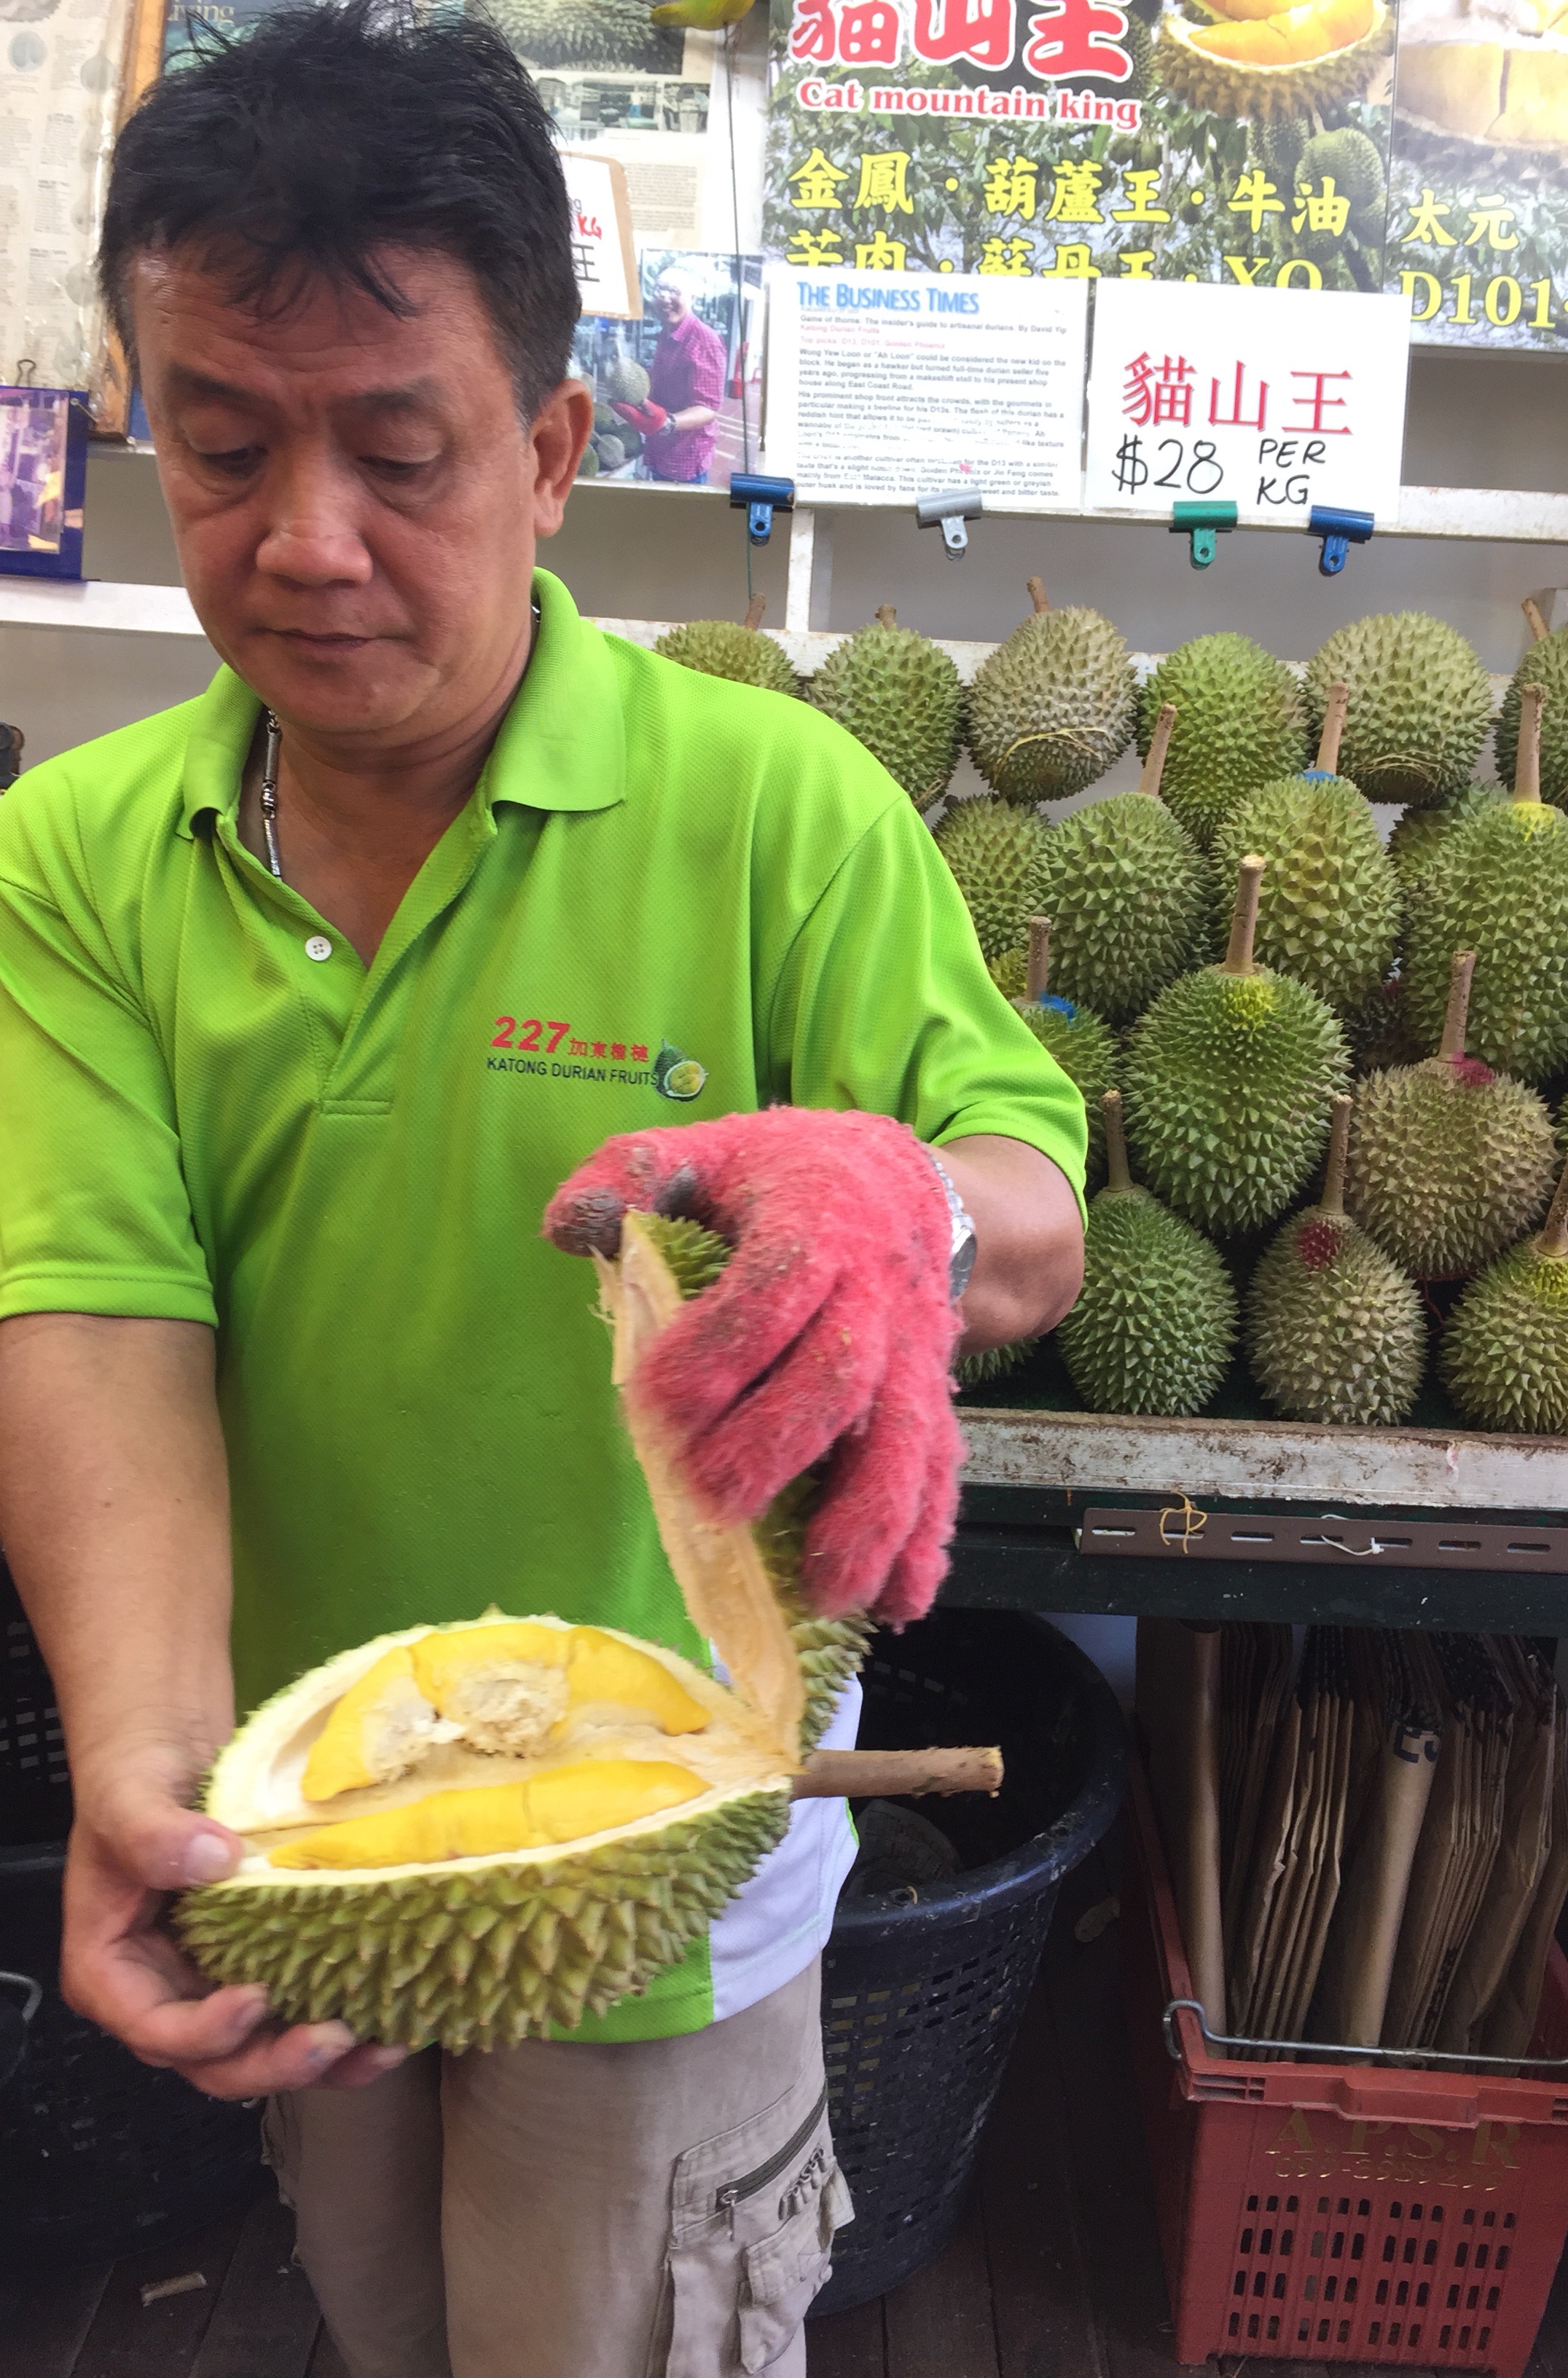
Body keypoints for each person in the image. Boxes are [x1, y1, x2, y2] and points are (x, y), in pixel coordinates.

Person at [0, 7, 1086, 2377]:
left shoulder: (773, 809)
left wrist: (883, 1201)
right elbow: (96, 1314)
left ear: (555, 449)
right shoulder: (72, 863)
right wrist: (144, 1765)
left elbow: (1028, 1206)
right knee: (390, 2325)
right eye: (219, 447)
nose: (304, 539)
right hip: (330, 1830)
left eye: (400, 451)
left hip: (674, 1880)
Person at [614, 266, 725, 485]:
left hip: (684, 458)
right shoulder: (667, 334)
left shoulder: (705, 341)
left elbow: (708, 408)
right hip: (659, 450)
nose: (665, 298)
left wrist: (667, 423)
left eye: (674, 291)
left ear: (692, 297)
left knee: (679, 517)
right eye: (659, 291)